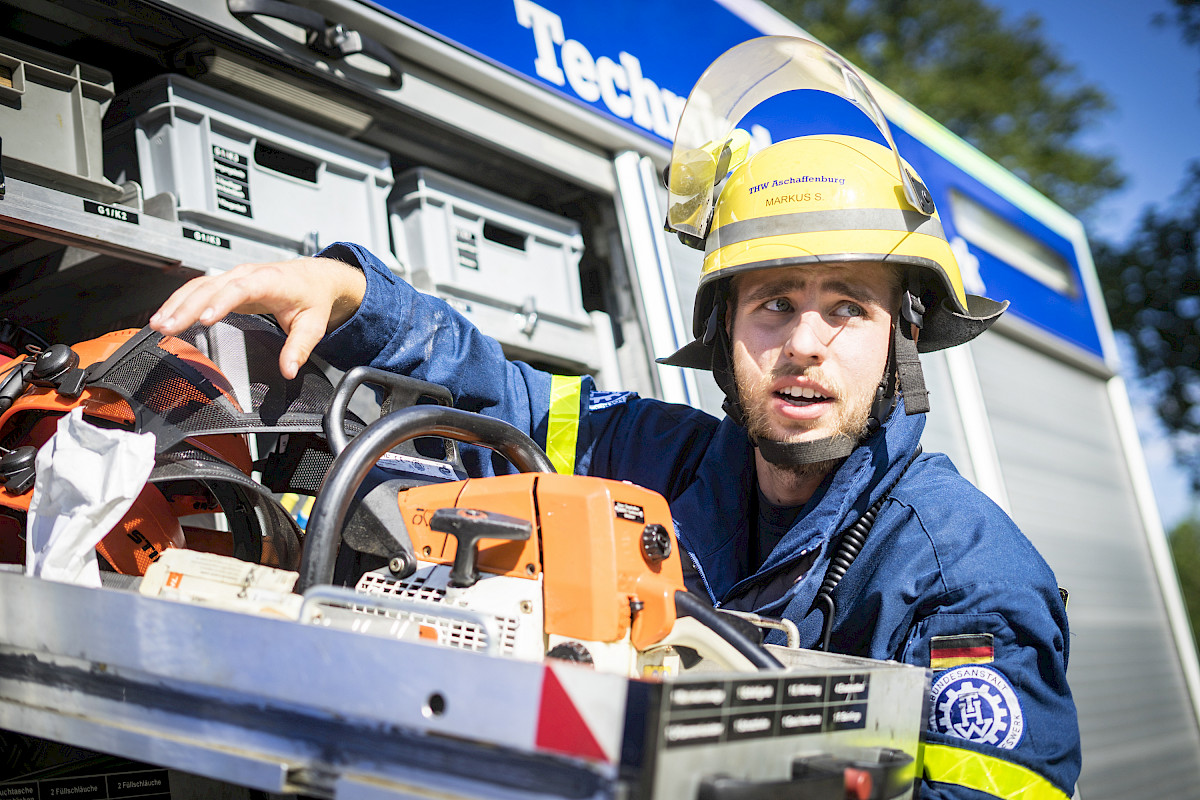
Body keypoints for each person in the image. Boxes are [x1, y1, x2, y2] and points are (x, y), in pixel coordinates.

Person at [150, 42, 1080, 800]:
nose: (804, 344)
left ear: (902, 342)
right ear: (723, 337)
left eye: (847, 309)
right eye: (773, 304)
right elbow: (500, 401)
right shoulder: (658, 458)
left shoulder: (966, 579)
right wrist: (353, 295)